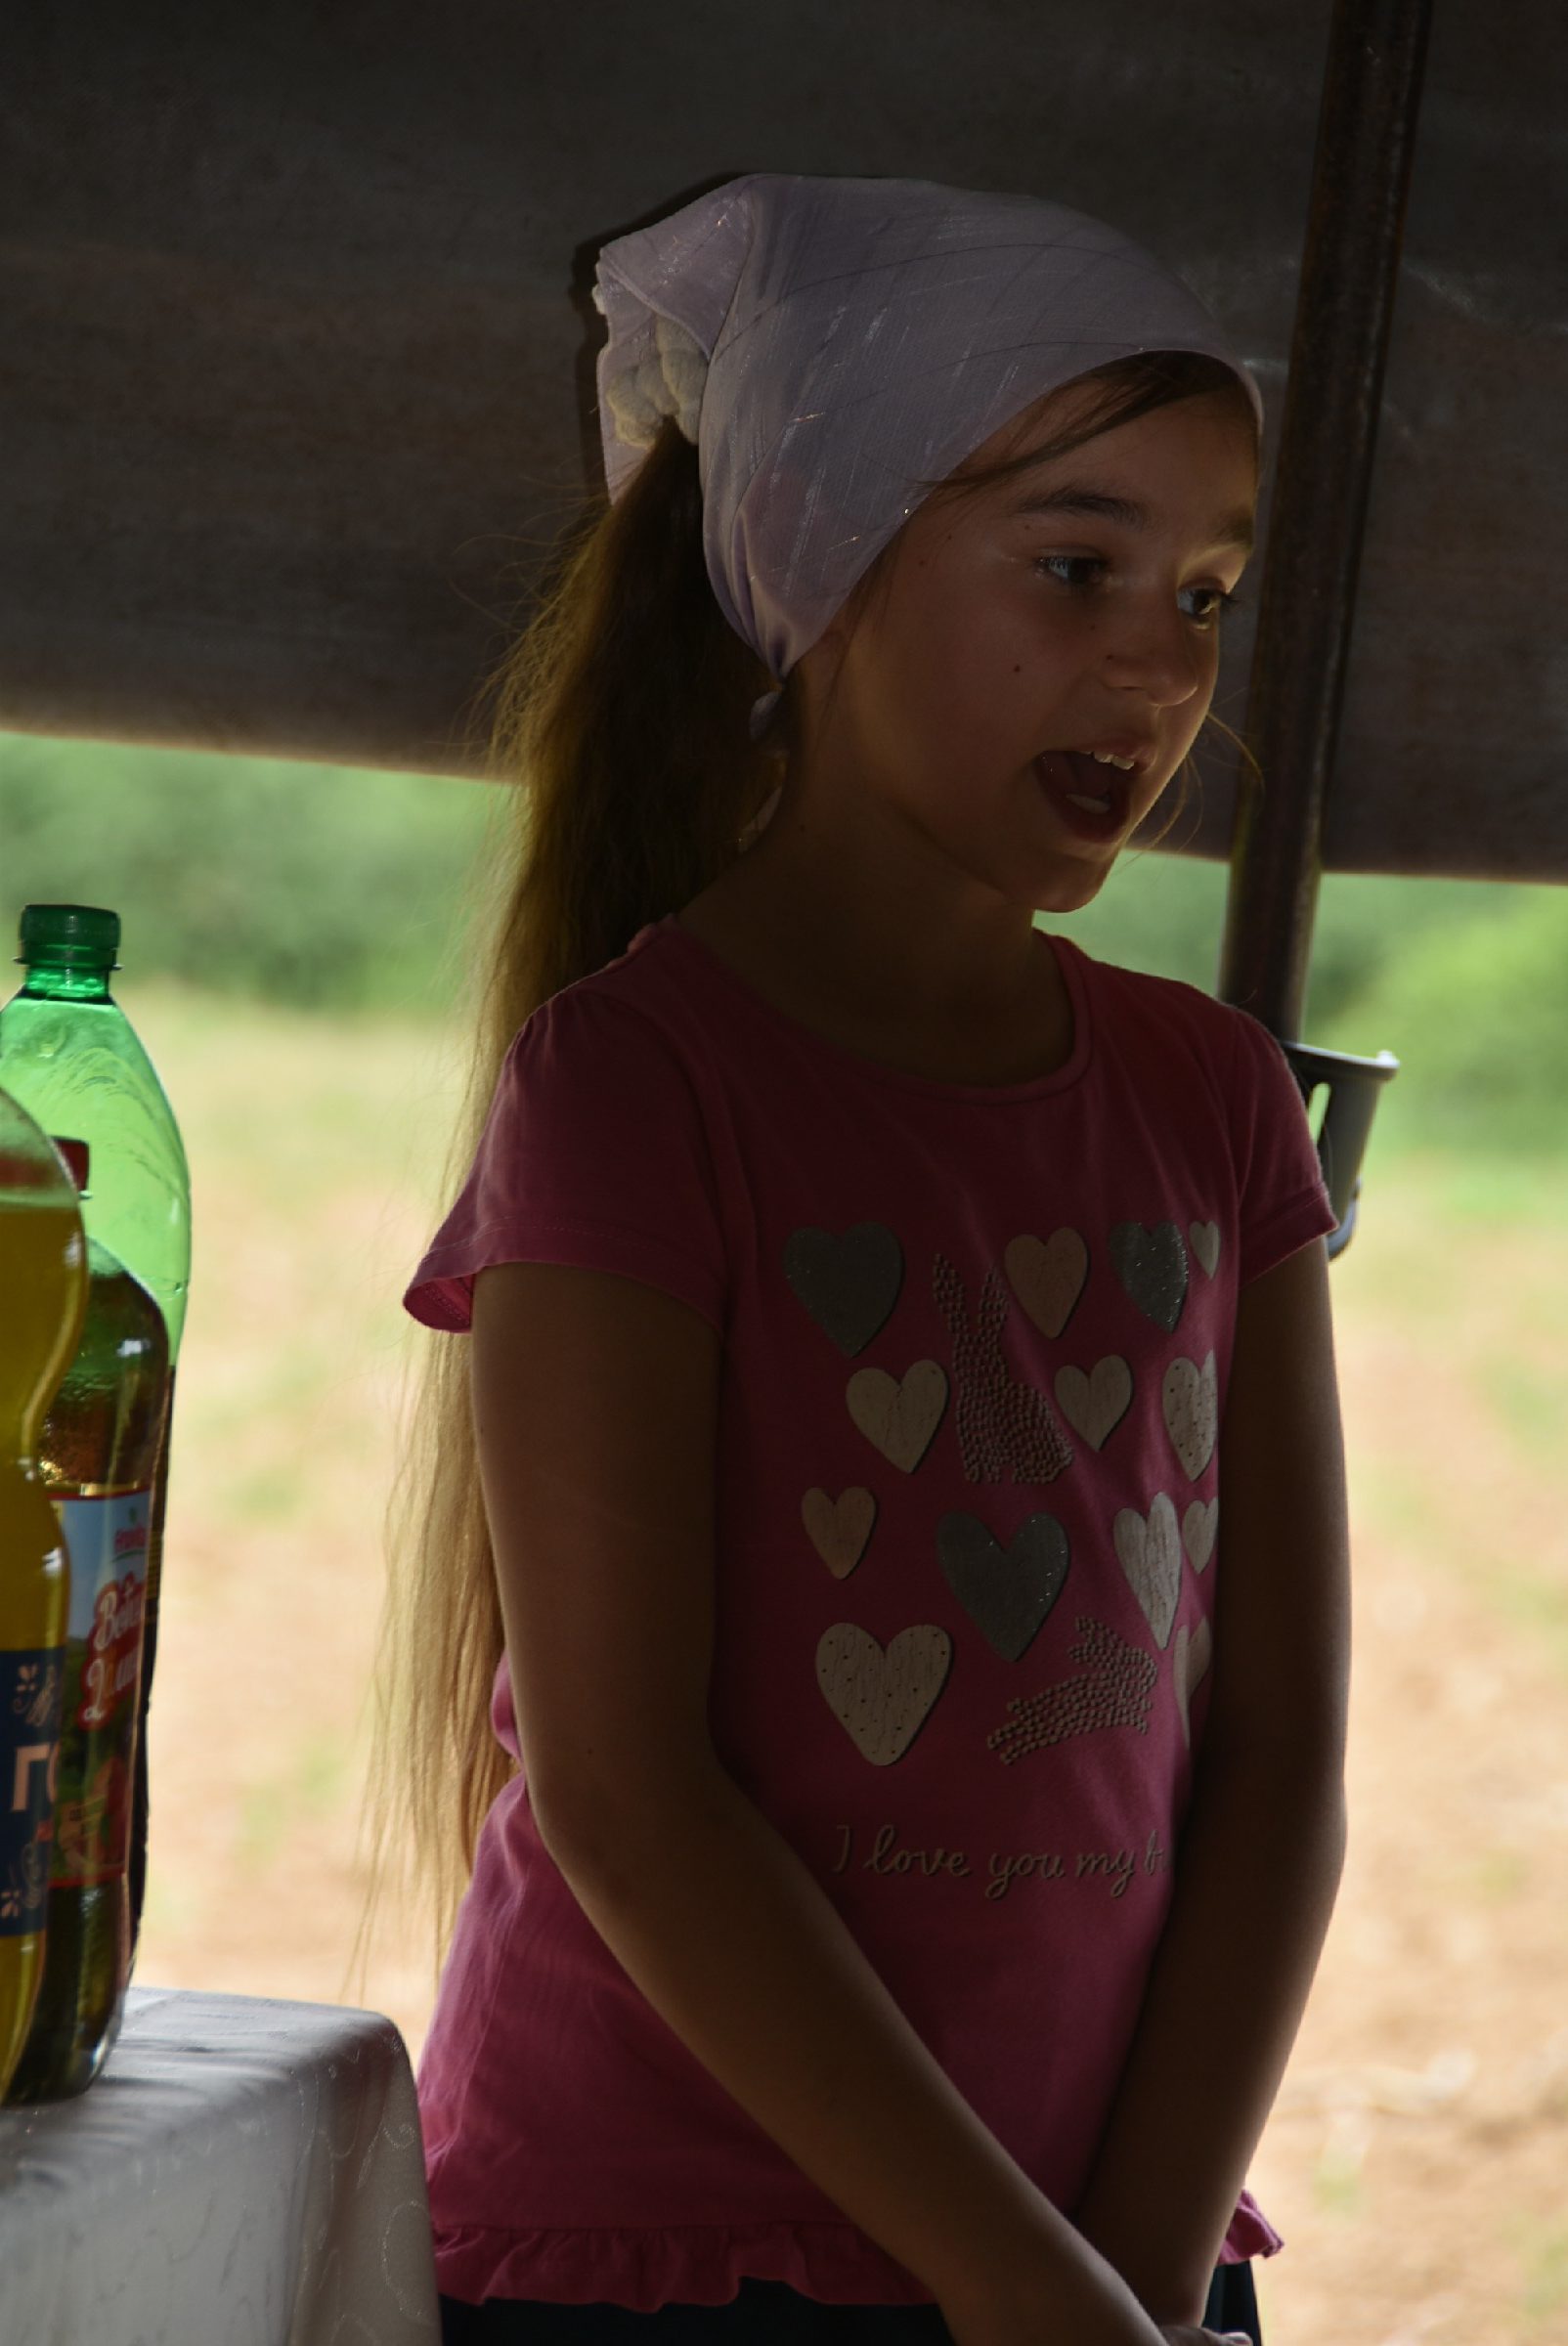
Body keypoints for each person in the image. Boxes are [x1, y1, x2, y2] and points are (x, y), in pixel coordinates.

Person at [362, 172, 1351, 2346]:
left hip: (1110, 2260)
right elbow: (632, 1800)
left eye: (1204, 592)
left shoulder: (1210, 1102)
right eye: (1076, 565)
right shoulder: (635, 1086)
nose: (1158, 665)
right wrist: (1035, 2295)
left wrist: (1133, 2274)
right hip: (666, 2261)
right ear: (820, 546)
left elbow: (1280, 1756)